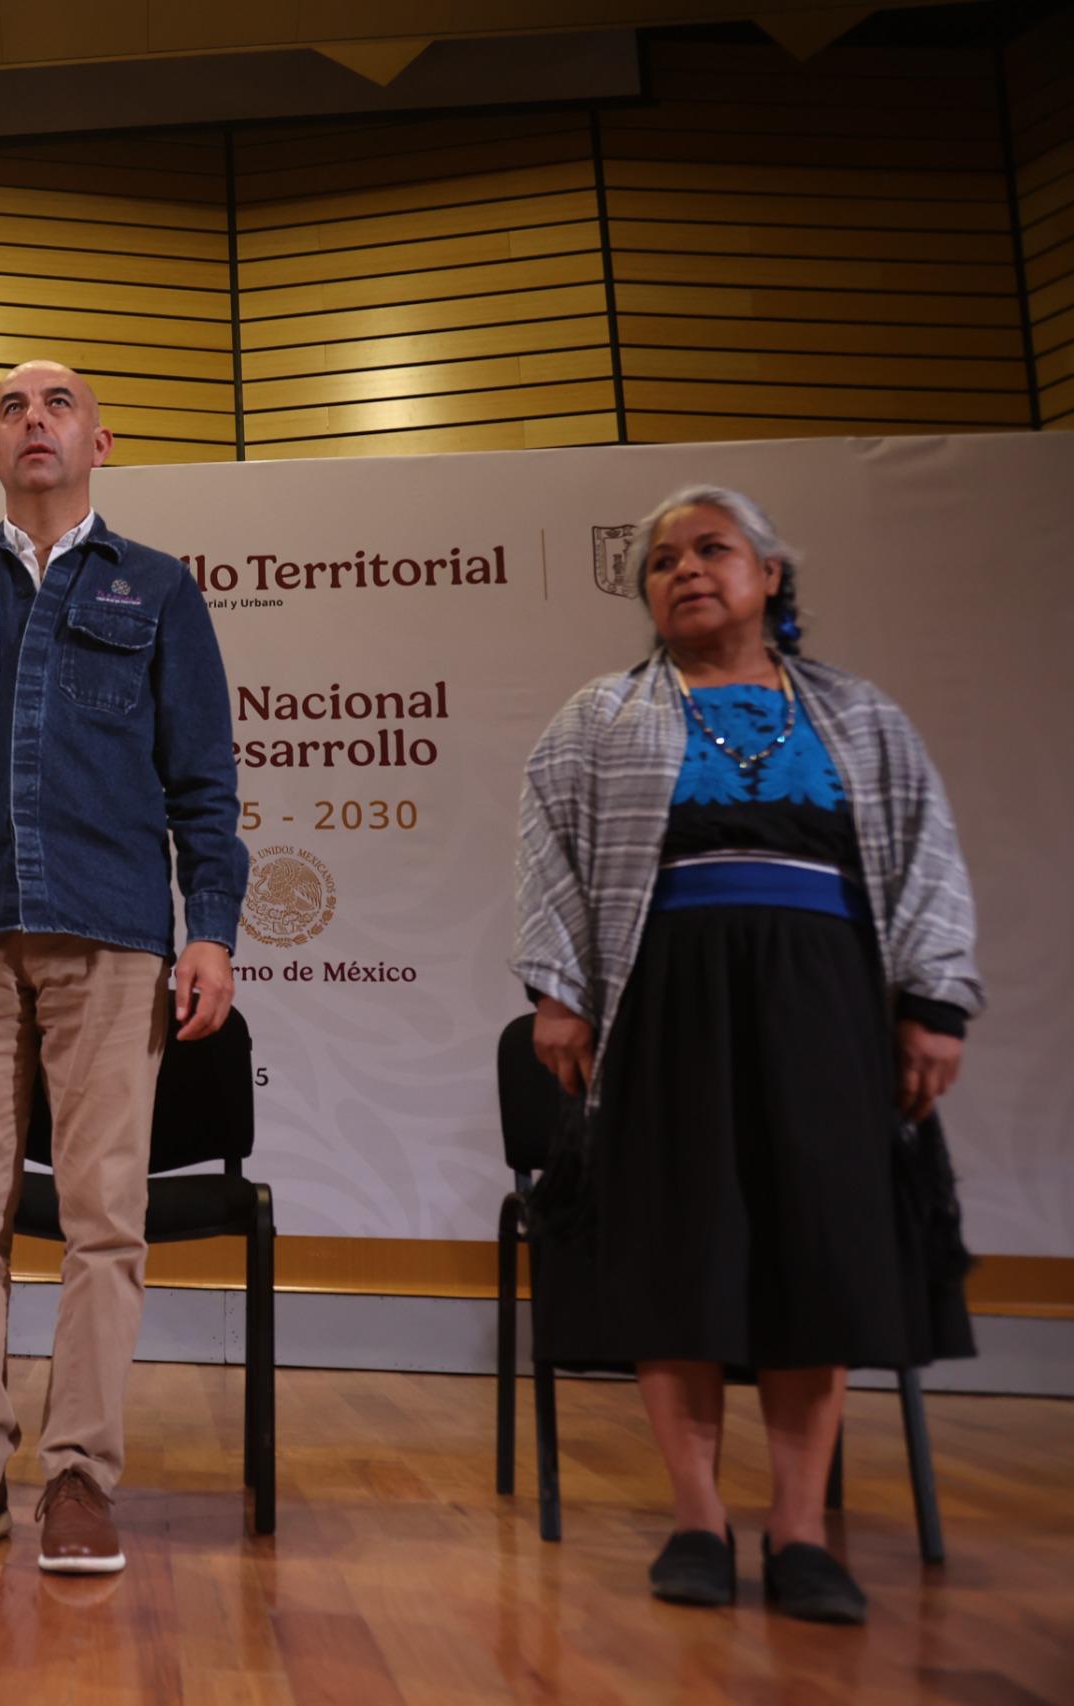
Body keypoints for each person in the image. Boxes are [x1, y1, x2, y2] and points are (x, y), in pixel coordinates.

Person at [515, 484, 981, 1625]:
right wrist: (557, 994)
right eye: (662, 559)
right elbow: (547, 855)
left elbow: (926, 858)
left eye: (711, 550)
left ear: (770, 575)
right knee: (681, 1245)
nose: (684, 570)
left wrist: (934, 1004)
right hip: (665, 1004)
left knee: (816, 1248)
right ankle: (697, 1522)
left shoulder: (860, 717)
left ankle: (803, 1531)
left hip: (825, 1008)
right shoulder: (599, 717)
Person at [0, 361, 248, 1573]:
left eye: (57, 404)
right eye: (12, 408)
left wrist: (211, 925)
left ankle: (79, 1476)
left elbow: (204, 779)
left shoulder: (157, 587)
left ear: (99, 442)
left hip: (112, 934)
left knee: (103, 1219)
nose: (34, 421)